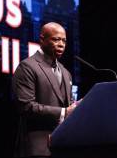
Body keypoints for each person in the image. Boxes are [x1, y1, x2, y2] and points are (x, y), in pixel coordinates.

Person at [12, 22, 81, 157]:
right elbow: (25, 106)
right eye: (56, 39)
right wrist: (64, 112)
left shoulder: (66, 73)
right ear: (42, 39)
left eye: (64, 40)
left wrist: (78, 107)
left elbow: (68, 106)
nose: (61, 44)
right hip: (37, 148)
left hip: (62, 147)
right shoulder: (27, 67)